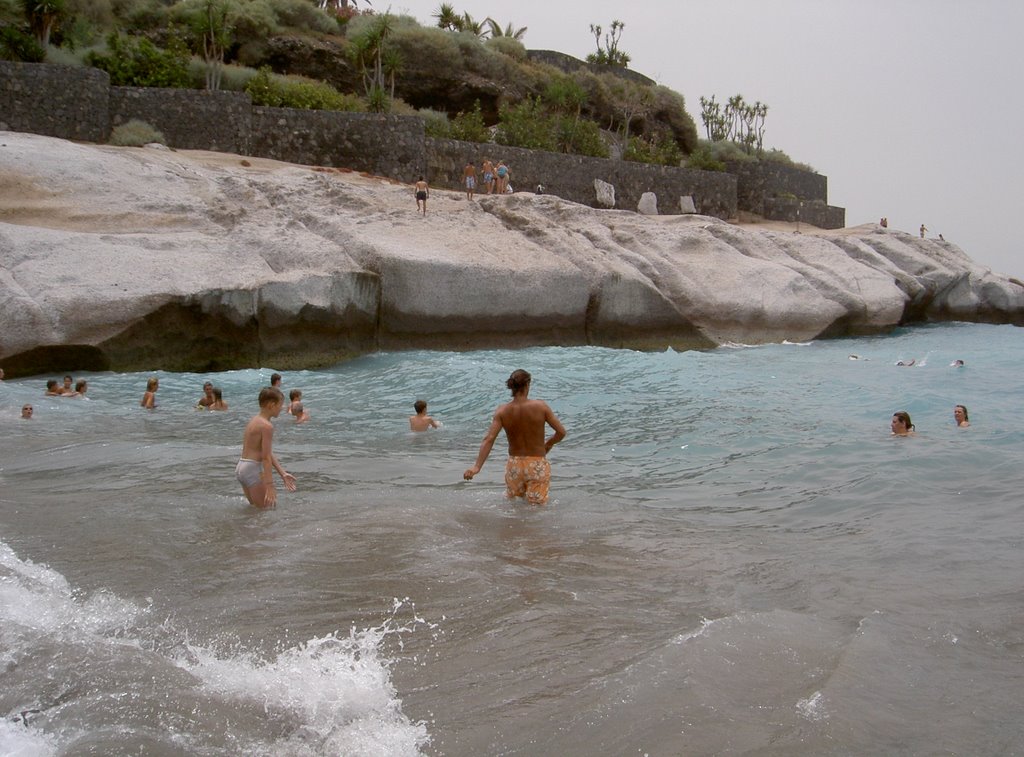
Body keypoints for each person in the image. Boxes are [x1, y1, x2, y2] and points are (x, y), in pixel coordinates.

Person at [463, 369, 566, 505]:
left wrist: (476, 467)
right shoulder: (541, 407)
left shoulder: (502, 410)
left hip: (514, 465)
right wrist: (548, 444)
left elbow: (489, 439)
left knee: (515, 505)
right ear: (527, 384)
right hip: (536, 464)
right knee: (536, 508)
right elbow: (561, 432)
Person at [236, 386, 297, 508]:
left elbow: (267, 452)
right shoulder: (267, 426)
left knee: (255, 512)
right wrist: (270, 485)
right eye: (280, 404)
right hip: (252, 470)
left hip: (242, 468)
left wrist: (282, 473)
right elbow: (266, 458)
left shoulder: (254, 420)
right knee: (266, 511)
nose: (282, 408)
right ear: (271, 404)